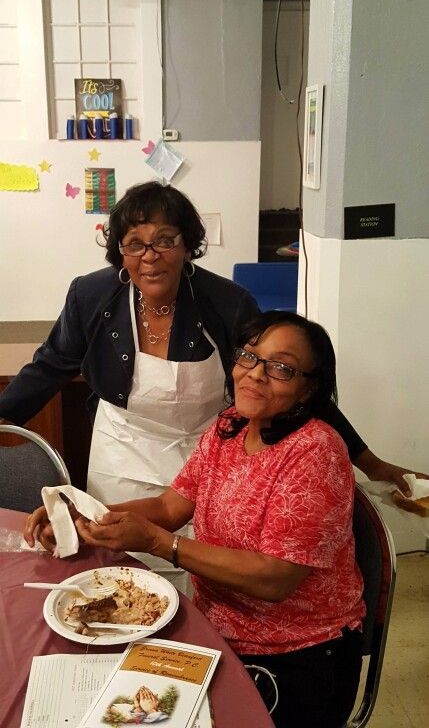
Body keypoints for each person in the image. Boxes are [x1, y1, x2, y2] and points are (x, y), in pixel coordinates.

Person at [2, 182, 421, 586]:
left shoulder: (226, 303)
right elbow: (49, 366)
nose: (150, 256)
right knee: (121, 565)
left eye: (165, 241)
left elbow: (293, 385)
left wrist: (372, 464)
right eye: (135, 244)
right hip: (123, 447)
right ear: (120, 252)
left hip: (203, 452)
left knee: (204, 568)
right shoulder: (91, 296)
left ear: (187, 245)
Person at [25, 310, 366, 728]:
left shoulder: (316, 453)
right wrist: (85, 512)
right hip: (214, 629)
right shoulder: (231, 426)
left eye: (281, 367)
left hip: (294, 654)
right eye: (249, 356)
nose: (255, 374)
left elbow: (275, 579)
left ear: (308, 388)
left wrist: (157, 542)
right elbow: (171, 507)